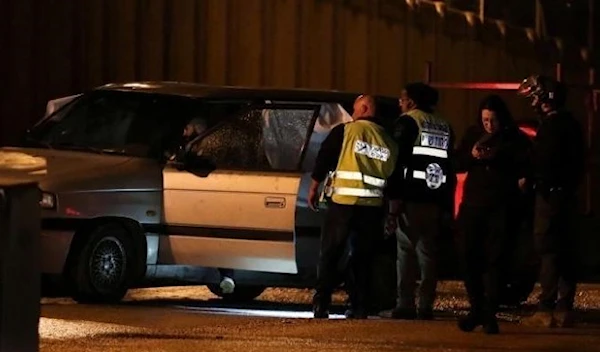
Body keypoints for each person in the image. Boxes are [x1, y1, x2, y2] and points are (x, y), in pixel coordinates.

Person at [308, 94, 403, 319]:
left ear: (365, 107)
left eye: (355, 109)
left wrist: (314, 187)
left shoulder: (345, 131)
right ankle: (359, 305)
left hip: (342, 204)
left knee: (330, 254)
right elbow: (395, 180)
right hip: (371, 208)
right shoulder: (388, 141)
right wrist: (393, 213)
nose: (353, 113)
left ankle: (322, 303)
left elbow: (324, 158)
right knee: (363, 259)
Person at [454, 95, 531, 334]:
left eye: (493, 120)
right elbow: (457, 162)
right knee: (469, 258)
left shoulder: (514, 138)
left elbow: (525, 164)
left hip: (501, 207)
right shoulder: (472, 134)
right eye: (485, 120)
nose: (489, 125)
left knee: (496, 261)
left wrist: (497, 157)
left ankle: (488, 314)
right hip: (473, 206)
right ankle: (477, 309)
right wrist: (473, 156)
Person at [382, 82, 455, 320]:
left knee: (405, 252)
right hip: (435, 198)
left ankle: (405, 304)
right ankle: (425, 305)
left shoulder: (407, 122)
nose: (399, 103)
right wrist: (447, 205)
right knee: (429, 255)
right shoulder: (444, 125)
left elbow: (397, 162)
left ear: (412, 101)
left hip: (411, 197)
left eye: (402, 98)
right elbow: (449, 167)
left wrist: (393, 200)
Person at [517, 75, 586, 328]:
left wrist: (529, 178)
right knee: (567, 250)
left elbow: (541, 161)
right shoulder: (573, 125)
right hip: (568, 195)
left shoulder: (551, 126)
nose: (534, 100)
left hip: (550, 196)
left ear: (547, 99)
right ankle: (564, 307)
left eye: (537, 95)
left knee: (548, 249)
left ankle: (545, 308)